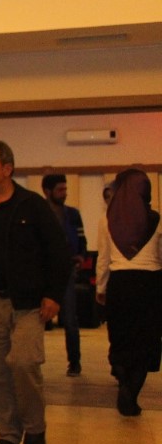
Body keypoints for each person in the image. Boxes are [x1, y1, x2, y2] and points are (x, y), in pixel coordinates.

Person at [0, 142, 70, 444]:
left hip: (29, 304)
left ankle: (35, 427)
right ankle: (8, 434)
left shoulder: (32, 205)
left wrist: (53, 294)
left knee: (24, 363)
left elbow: (59, 252)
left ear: (7, 169)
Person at [95, 168, 162, 417]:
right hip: (149, 284)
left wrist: (101, 288)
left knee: (121, 338)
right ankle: (131, 394)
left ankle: (123, 380)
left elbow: (103, 259)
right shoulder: (157, 219)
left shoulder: (107, 220)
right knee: (145, 340)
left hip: (119, 284)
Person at [42, 173, 88, 375]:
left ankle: (74, 362)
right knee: (36, 318)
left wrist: (81, 256)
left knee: (70, 319)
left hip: (67, 269)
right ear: (47, 191)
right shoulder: (40, 213)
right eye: (60, 190)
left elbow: (82, 239)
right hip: (43, 270)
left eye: (65, 189)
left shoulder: (73, 214)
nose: (64, 193)